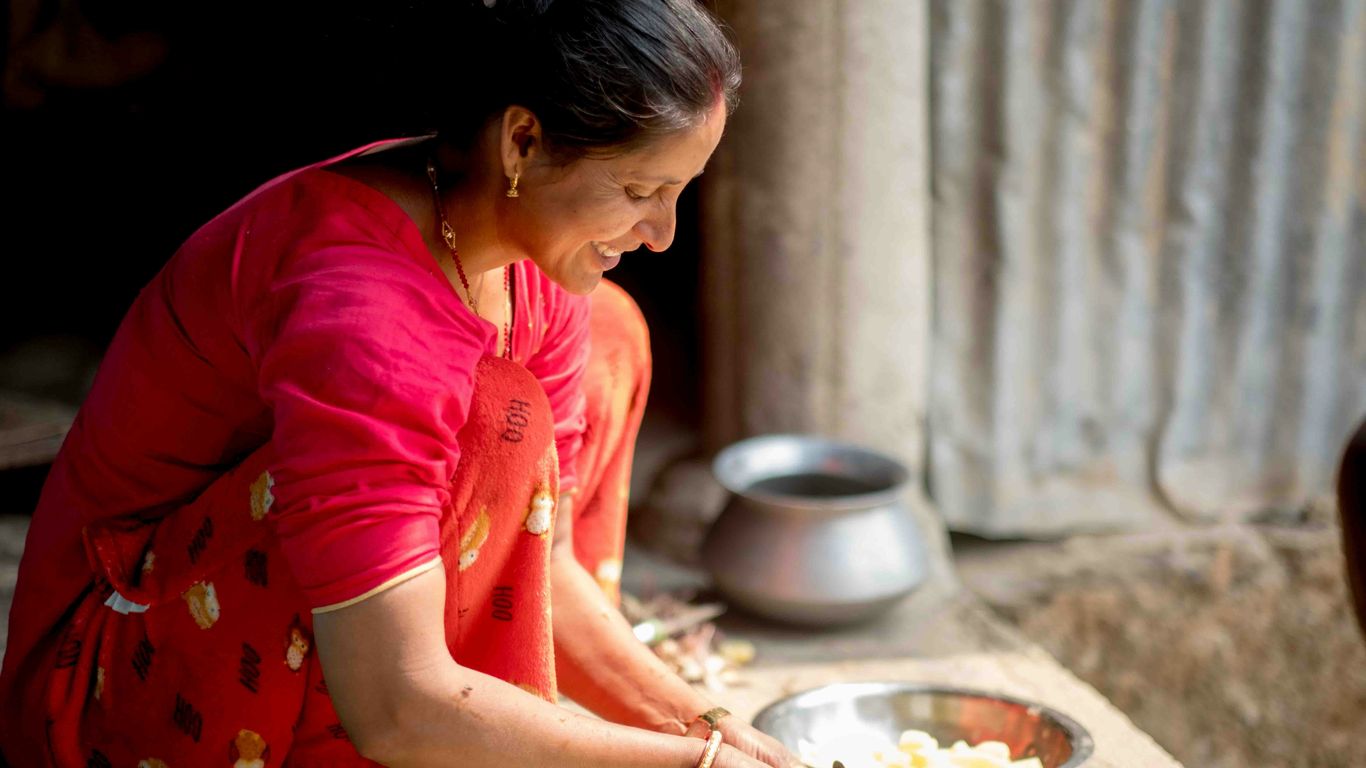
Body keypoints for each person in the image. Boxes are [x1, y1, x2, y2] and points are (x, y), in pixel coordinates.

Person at [0, 2, 802, 766]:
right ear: (521, 142)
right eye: (637, 192)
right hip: (112, 675)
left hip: (301, 623)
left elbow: (542, 555)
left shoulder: (521, 253)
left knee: (609, 333)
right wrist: (684, 765)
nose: (662, 235)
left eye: (677, 193)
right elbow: (394, 705)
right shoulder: (362, 320)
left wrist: (708, 729)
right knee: (496, 416)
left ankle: (497, 717)